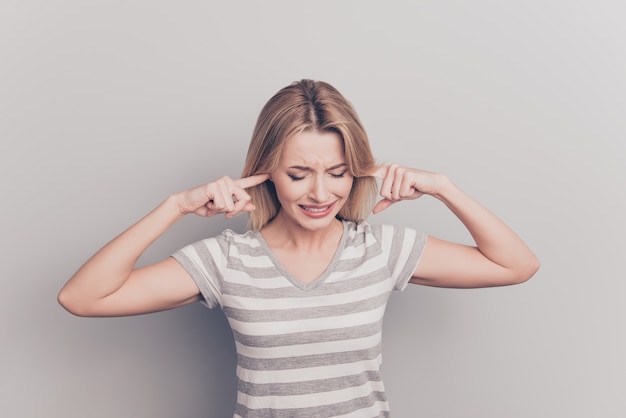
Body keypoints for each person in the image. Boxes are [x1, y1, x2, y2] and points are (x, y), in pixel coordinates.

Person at [58, 79, 539, 417]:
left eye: (337, 173)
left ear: (356, 171)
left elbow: (517, 264)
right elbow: (82, 297)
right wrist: (175, 206)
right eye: (298, 174)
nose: (320, 194)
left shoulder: (379, 250)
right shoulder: (228, 260)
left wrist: (444, 187)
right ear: (266, 170)